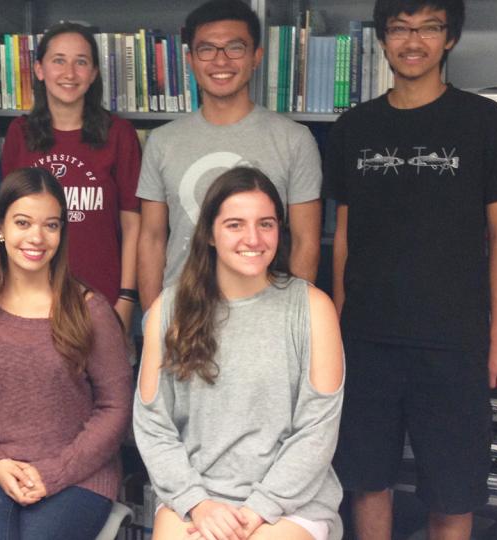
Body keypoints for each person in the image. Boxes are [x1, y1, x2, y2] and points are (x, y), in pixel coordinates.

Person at [324, 0, 497, 537]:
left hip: (454, 341)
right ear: (382, 38)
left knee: (453, 491)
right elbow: (345, 235)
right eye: (400, 28)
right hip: (367, 340)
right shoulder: (354, 127)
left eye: (429, 28)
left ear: (449, 38)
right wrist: (337, 321)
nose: (413, 41)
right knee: (368, 480)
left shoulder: (487, 122)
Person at [134, 167, 344, 540]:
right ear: (210, 234)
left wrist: (257, 510)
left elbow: (316, 432)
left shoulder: (312, 308)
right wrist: (198, 503)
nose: (253, 238)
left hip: (290, 504)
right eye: (235, 224)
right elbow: (154, 426)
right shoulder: (168, 310)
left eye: (266, 224)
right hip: (196, 498)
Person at [0, 168, 132, 539]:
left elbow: (116, 409)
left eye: (51, 225)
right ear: (0, 229)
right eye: (23, 222)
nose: (37, 237)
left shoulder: (90, 310)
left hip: (78, 474)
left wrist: (55, 472)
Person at [136, 0, 322, 311]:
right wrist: (154, 319)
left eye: (235, 48)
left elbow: (306, 242)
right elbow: (152, 239)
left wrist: (293, 318)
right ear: (190, 60)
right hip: (183, 311)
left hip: (267, 315)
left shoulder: (295, 139)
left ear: (256, 57)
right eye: (206, 50)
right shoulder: (162, 141)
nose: (220, 61)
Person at [1, 23, 141, 330]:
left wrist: (127, 297)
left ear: (93, 74)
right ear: (39, 69)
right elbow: (7, 220)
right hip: (30, 299)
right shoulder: (19, 134)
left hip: (102, 298)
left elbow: (133, 224)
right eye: (58, 60)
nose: (69, 72)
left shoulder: (119, 134)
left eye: (81, 62)